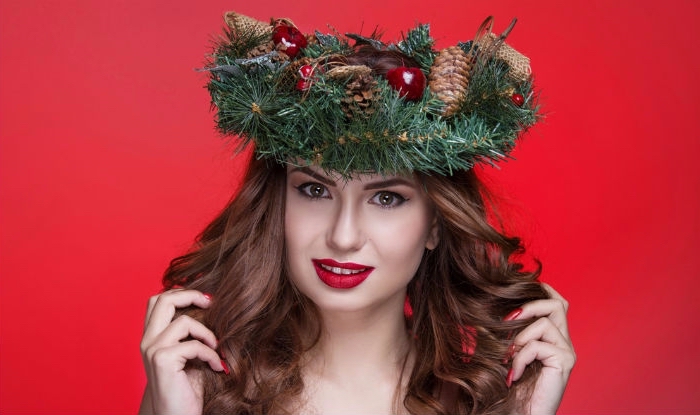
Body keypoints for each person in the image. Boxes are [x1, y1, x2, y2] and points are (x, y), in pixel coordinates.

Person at [139, 11, 575, 415]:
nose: (343, 237)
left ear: (436, 225)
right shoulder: (200, 391)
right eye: (314, 189)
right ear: (277, 206)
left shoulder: (483, 402)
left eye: (386, 198)